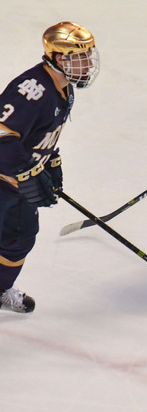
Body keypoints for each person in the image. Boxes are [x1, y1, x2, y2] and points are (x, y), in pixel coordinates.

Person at [0, 22, 100, 313]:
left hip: (16, 184)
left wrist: (50, 161)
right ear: (59, 58)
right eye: (81, 57)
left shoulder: (64, 87)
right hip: (5, 180)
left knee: (20, 238)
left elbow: (43, 133)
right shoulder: (32, 91)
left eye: (89, 55)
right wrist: (28, 173)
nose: (89, 63)